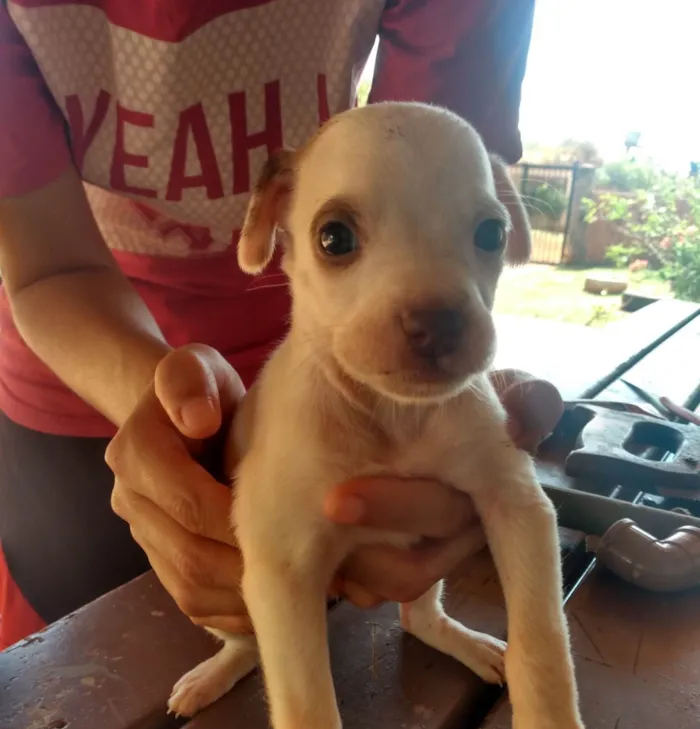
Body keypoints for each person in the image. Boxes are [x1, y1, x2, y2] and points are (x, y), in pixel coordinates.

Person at [0, 0, 553, 650]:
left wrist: (452, 424)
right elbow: (48, 268)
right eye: (338, 236)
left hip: (327, 382)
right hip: (74, 392)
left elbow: (445, 204)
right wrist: (177, 416)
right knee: (78, 687)